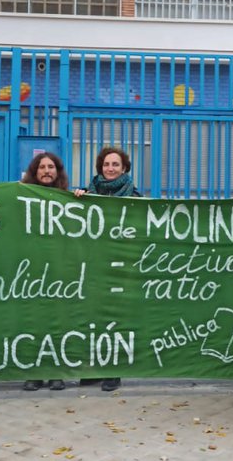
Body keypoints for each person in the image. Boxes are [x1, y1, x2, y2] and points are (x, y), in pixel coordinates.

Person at [74, 146, 142, 392]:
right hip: (93, 266)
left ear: (124, 168)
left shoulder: (134, 198)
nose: (110, 169)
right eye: (106, 165)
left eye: (115, 164)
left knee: (116, 319)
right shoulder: (88, 193)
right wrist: (77, 199)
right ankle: (94, 369)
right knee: (94, 317)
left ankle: (114, 369)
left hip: (121, 267)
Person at [20, 152, 70, 392]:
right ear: (35, 172)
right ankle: (34, 372)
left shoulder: (67, 199)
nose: (47, 171)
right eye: (42, 167)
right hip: (31, 270)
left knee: (57, 322)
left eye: (51, 167)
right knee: (33, 323)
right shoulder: (21, 197)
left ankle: (56, 371)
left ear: (57, 172)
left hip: (60, 272)